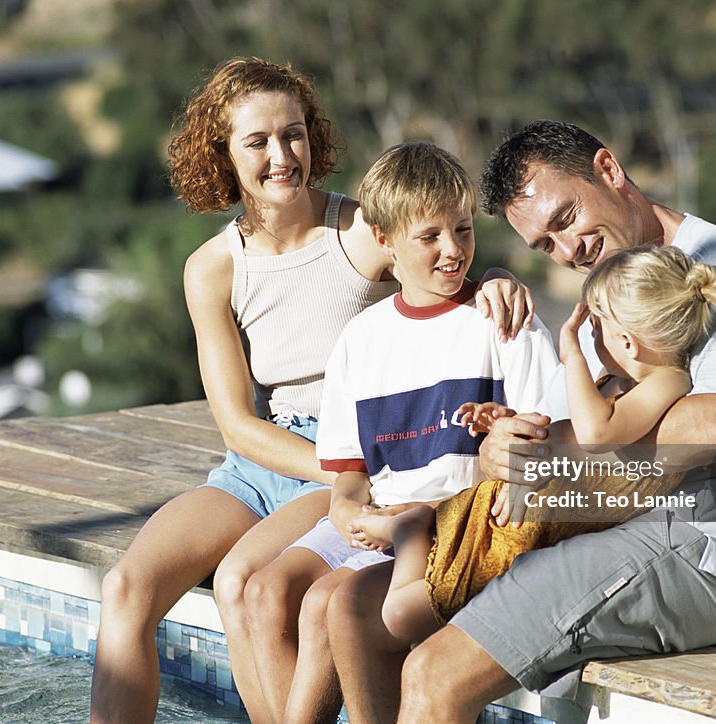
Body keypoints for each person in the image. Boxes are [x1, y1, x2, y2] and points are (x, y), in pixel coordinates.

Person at [88, 58, 533, 724]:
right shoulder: (211, 267)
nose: (281, 156)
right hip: (265, 459)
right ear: (223, 154)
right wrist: (335, 470)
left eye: (292, 134)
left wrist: (499, 274)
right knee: (125, 586)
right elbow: (237, 424)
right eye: (257, 141)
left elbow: (445, 259)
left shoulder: (360, 232)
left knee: (245, 585)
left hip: (351, 450)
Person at [327, 120, 716, 723]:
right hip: (587, 527)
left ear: (608, 169)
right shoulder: (607, 291)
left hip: (694, 546)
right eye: (546, 245)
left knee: (434, 673)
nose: (568, 249)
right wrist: (504, 443)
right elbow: (544, 429)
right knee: (356, 607)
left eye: (566, 218)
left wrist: (558, 452)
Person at [241, 141, 560, 723]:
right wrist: (348, 516)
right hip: (382, 522)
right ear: (384, 240)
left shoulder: (503, 321)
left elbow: (542, 460)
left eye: (463, 230)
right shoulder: (362, 340)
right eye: (430, 237)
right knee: (264, 592)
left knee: (323, 606)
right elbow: (348, 479)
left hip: (453, 525)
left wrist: (407, 518)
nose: (452, 250)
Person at [352, 243, 716, 645]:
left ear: (627, 342)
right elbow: (565, 434)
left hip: (533, 534)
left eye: (597, 327)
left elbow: (595, 435)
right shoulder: (616, 384)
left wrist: (571, 353)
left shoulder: (669, 381)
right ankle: (413, 528)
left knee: (400, 616)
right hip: (522, 519)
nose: (590, 337)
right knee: (392, 609)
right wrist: (510, 424)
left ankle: (408, 530)